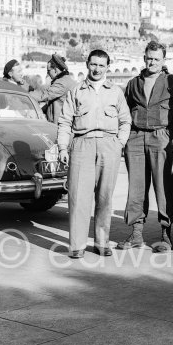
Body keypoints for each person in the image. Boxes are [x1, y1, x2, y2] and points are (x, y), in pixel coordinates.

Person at [117, 41, 173, 253]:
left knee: (163, 186)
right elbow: (123, 112)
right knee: (136, 187)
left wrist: (169, 134)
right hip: (136, 138)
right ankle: (136, 233)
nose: (152, 62)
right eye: (149, 58)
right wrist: (127, 135)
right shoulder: (133, 83)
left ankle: (165, 235)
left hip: (161, 137)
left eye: (157, 59)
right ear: (144, 58)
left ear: (163, 60)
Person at [57, 50, 131, 259]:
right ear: (87, 64)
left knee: (105, 197)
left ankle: (101, 242)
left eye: (102, 65)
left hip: (110, 146)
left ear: (108, 67)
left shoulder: (116, 92)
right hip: (82, 145)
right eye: (94, 64)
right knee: (79, 197)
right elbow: (64, 121)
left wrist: (119, 143)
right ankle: (77, 245)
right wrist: (63, 147)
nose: (97, 69)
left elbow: (125, 121)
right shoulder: (76, 90)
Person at [30, 54, 77, 123]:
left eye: (48, 71)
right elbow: (53, 102)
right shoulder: (64, 80)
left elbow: (43, 96)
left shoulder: (61, 83)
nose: (47, 74)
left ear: (55, 70)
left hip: (59, 125)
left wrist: (25, 94)